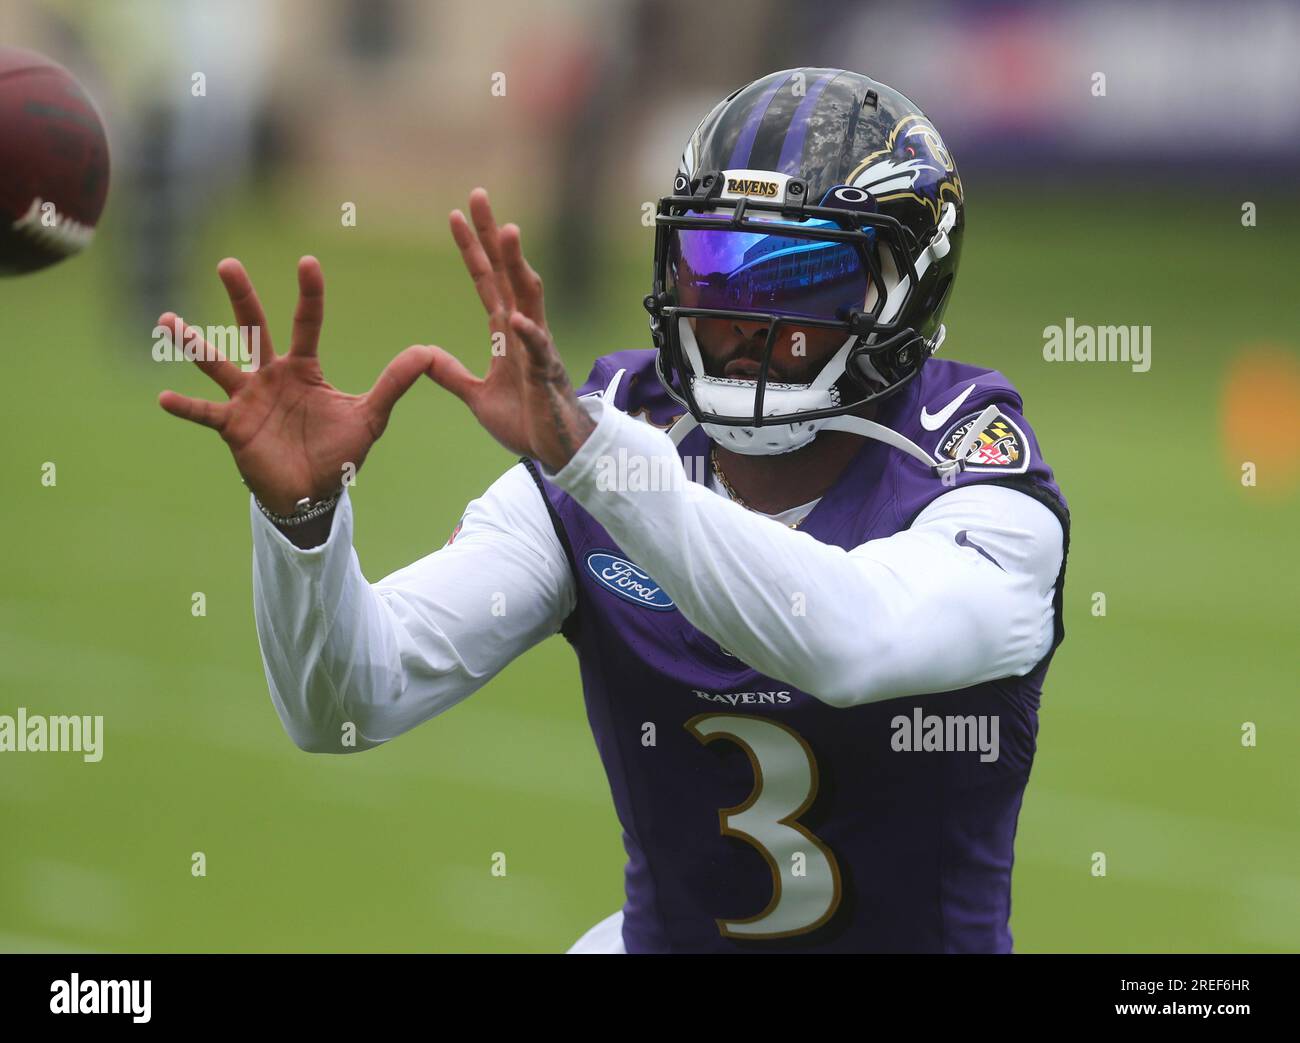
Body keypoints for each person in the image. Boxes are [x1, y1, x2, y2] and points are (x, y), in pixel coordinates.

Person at [157, 68, 1069, 953]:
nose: (747, 320)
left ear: (906, 289)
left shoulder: (977, 485)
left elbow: (847, 640)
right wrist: (305, 526)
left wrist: (601, 465)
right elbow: (350, 700)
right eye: (718, 269)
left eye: (798, 281)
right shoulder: (617, 445)